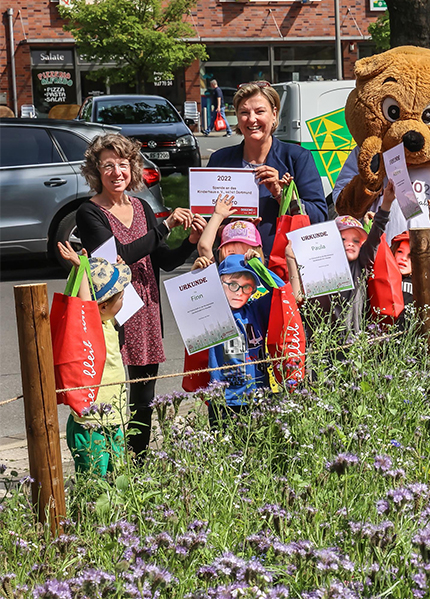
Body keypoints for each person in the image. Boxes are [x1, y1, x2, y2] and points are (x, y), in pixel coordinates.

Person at [76, 133, 205, 460]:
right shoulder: (89, 213)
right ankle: (113, 461)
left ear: (132, 167)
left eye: (123, 164)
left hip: (146, 309)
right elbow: (119, 253)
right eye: (108, 165)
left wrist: (189, 240)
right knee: (114, 394)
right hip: (114, 314)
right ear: (96, 171)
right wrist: (163, 227)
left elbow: (162, 259)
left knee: (144, 398)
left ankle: (140, 458)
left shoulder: (142, 206)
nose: (116, 172)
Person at [207, 82, 327, 258]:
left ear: (274, 115)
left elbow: (319, 216)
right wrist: (227, 230)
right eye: (244, 112)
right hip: (234, 271)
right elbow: (203, 222)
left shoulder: (297, 157)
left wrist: (281, 195)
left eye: (260, 111)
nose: (252, 119)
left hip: (284, 269)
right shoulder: (220, 160)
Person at [57, 243, 132, 477]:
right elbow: (86, 304)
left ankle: (114, 511)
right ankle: (90, 513)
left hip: (113, 418)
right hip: (91, 423)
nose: (124, 302)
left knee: (117, 471)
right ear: (103, 305)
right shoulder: (91, 325)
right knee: (93, 476)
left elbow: (93, 301)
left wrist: (91, 269)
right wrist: (80, 272)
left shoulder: (108, 321)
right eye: (121, 298)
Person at [191, 254, 274, 429]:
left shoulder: (256, 309)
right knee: (225, 450)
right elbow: (188, 307)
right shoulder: (212, 311)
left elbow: (280, 291)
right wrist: (196, 278)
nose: (239, 292)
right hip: (224, 399)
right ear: (218, 283)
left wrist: (259, 268)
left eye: (247, 287)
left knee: (257, 450)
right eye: (233, 284)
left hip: (257, 394)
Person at [309, 181, 396, 335]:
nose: (350, 244)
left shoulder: (361, 265)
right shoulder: (322, 266)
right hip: (325, 342)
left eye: (356, 240)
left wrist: (386, 203)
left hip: (353, 342)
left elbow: (376, 235)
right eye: (343, 239)